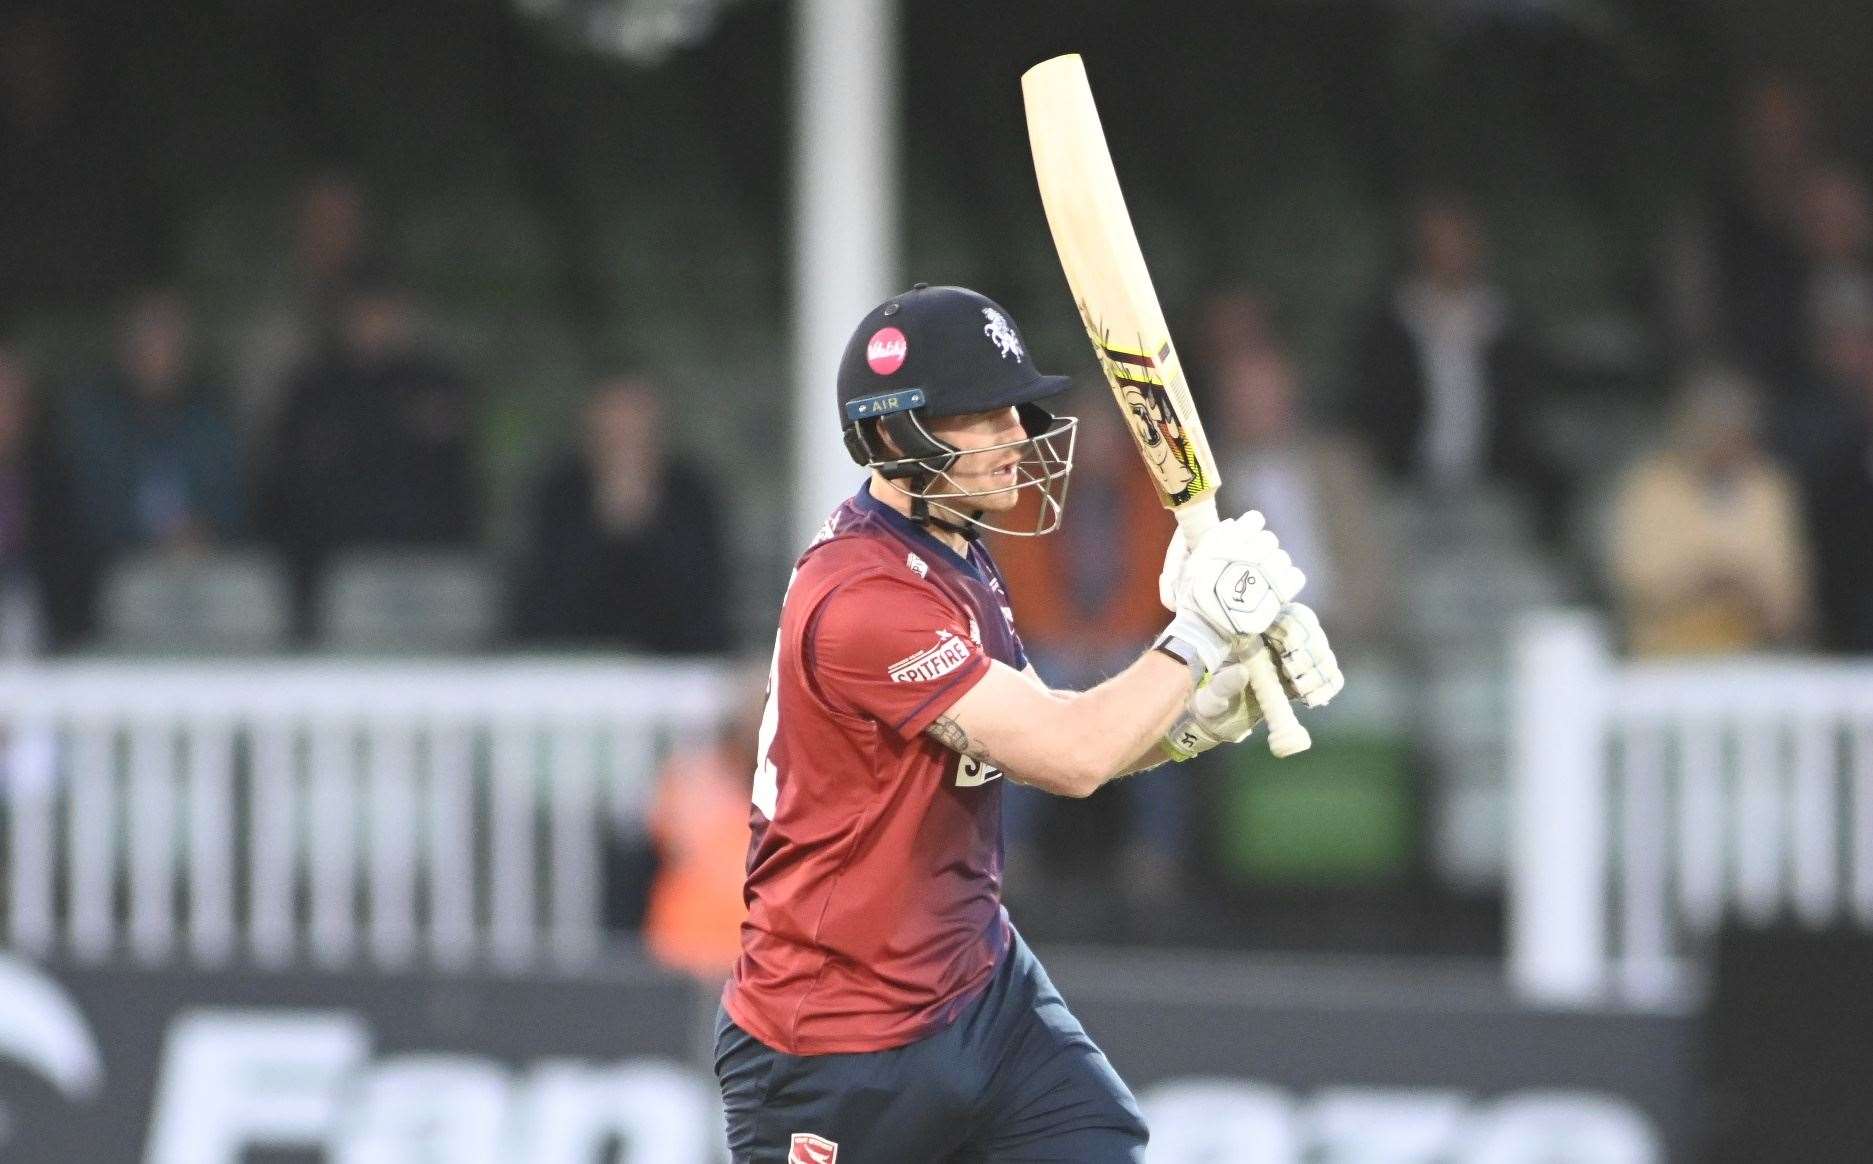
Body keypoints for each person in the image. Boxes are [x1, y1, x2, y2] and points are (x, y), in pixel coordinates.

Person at [712, 284, 1343, 1160]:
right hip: (833, 1038)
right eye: (983, 415)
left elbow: (1046, 730)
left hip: (979, 985)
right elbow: (1070, 757)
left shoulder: (955, 551)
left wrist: (1196, 717)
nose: (1018, 434)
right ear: (897, 434)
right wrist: (1197, 634)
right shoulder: (864, 596)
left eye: (1015, 408)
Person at [257, 274, 479, 633]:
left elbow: (459, 489)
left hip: (424, 565)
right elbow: (287, 491)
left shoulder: (436, 385)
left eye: (383, 313)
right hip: (331, 569)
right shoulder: (313, 390)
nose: (374, 324)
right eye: (364, 313)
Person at [1348, 188, 1556, 510]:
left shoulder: (1507, 322)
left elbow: (1526, 411)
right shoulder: (1388, 326)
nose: (1451, 250)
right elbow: (1372, 417)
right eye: (1437, 239)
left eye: (1459, 237)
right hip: (1407, 485)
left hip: (1494, 484)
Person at [509, 375, 731, 653]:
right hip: (574, 660)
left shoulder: (691, 493)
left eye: (635, 425)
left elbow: (702, 598)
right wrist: (606, 522)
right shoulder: (558, 493)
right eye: (612, 428)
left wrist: (644, 523)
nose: (624, 438)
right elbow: (545, 599)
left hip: (673, 660)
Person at [1605, 365, 1811, 656]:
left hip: (1755, 659)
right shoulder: (1650, 487)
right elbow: (1636, 586)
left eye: (1733, 432)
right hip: (1663, 663)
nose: (1722, 443)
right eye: (1713, 430)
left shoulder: (1768, 487)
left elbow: (1789, 597)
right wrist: (1707, 578)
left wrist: (1743, 588)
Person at [59, 289, 244, 564]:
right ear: (127, 351)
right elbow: (92, 510)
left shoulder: (211, 418)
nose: (159, 355)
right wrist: (150, 539)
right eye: (149, 342)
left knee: (252, 586)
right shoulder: (96, 422)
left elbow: (232, 497)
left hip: (206, 554)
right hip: (126, 561)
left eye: (169, 342)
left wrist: (205, 531)